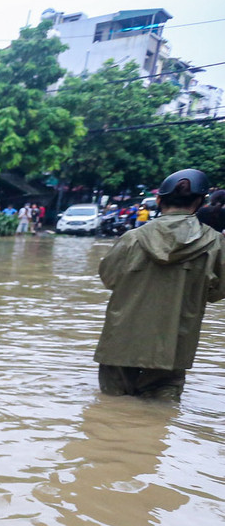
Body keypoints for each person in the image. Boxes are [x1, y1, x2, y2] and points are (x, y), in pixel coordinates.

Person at [94, 168, 225, 400]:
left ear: (158, 199)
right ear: (200, 201)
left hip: (121, 341)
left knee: (109, 409)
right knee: (160, 414)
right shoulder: (215, 244)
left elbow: (109, 278)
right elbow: (217, 292)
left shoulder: (132, 238)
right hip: (173, 344)